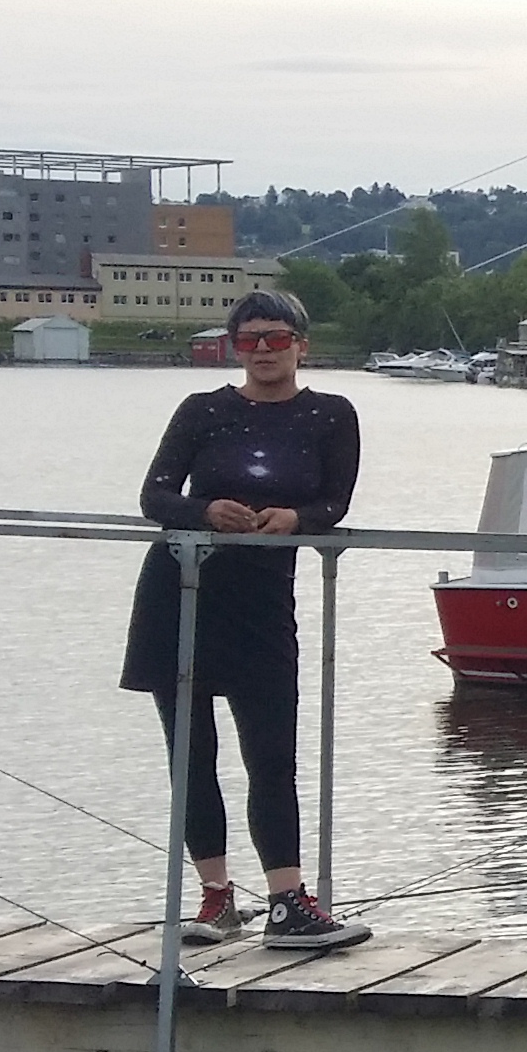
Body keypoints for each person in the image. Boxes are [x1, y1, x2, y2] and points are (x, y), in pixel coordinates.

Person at [120, 288, 367, 949]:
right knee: (192, 754)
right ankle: (216, 899)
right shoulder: (203, 411)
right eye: (250, 340)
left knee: (271, 755)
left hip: (262, 598)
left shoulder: (330, 415)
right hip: (184, 588)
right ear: (235, 347)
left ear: (300, 346)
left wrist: (297, 520)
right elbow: (155, 495)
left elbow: (334, 502)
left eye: (276, 339)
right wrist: (203, 512)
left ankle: (288, 902)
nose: (263, 350)